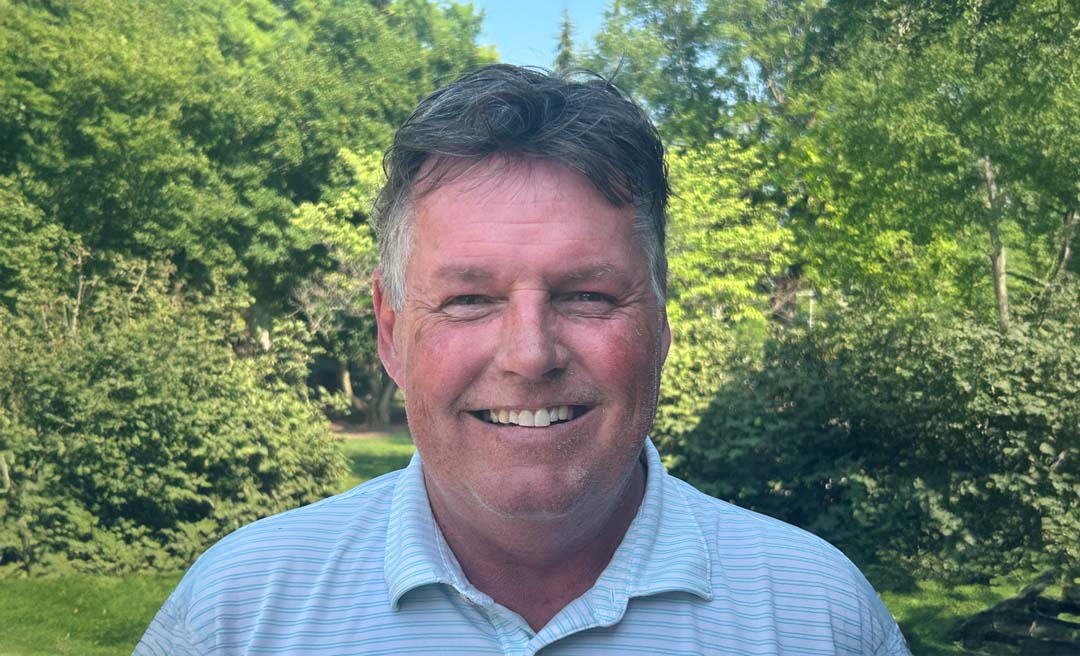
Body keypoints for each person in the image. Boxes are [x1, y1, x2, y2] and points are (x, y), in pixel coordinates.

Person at [136, 64, 910, 655]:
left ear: (660, 327)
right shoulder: (237, 614)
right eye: (469, 299)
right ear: (389, 331)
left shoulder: (820, 616)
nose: (530, 354)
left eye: (588, 296)